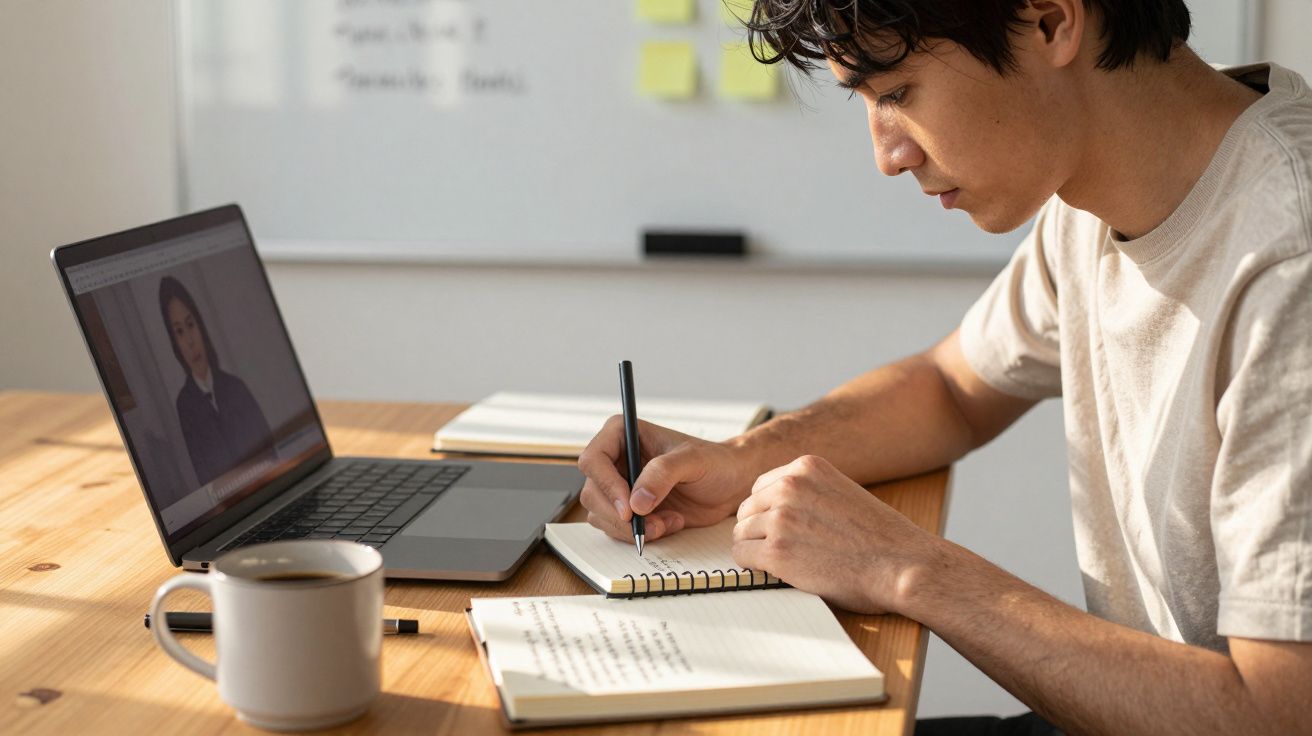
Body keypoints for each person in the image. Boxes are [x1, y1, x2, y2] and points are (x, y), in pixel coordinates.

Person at [576, 1, 1312, 733]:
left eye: (896, 93)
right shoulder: (1100, 177)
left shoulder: (1288, 259)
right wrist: (738, 463)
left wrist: (903, 568)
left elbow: (1275, 714)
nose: (887, 155)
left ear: (1052, 22)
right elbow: (953, 388)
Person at [158, 276, 275, 488]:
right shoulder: (185, 405)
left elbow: (271, 456)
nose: (190, 340)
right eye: (179, 332)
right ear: (174, 343)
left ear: (201, 327)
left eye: (190, 325)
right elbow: (206, 479)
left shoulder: (235, 387)